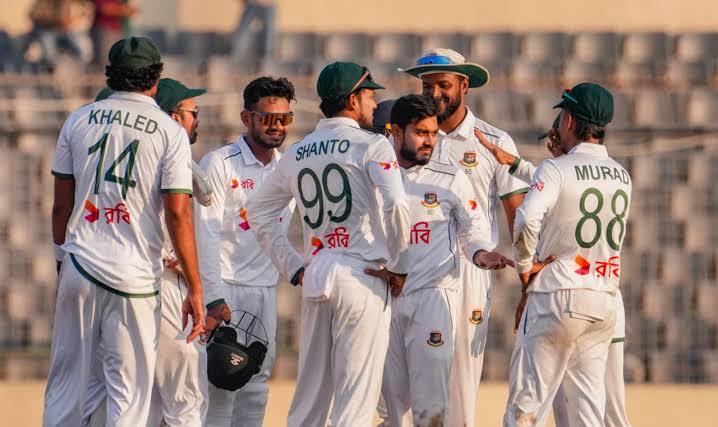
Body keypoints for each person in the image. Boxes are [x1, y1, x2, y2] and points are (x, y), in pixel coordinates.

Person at [44, 37, 205, 426]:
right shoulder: (168, 131)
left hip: (80, 263)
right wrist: (196, 287)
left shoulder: (78, 119)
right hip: (134, 277)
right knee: (129, 398)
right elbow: (178, 214)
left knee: (65, 388)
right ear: (156, 79)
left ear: (110, 74)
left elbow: (61, 206)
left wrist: (62, 260)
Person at [245, 61, 411, 427]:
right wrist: (400, 266)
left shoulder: (298, 151)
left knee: (309, 400)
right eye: (369, 95)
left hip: (316, 273)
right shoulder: (373, 145)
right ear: (352, 99)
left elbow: (256, 212)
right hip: (363, 275)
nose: (374, 103)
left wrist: (294, 267)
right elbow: (397, 205)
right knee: (355, 402)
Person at [400, 48, 529, 427]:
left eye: (443, 85)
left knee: (461, 380)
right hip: (418, 268)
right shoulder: (412, 137)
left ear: (464, 85)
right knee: (402, 384)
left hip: (471, 270)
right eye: (427, 86)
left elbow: (518, 215)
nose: (434, 93)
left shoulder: (493, 140)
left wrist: (528, 280)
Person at [479, 115, 632, 427]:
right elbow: (569, 184)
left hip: (559, 294)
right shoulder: (621, 174)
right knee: (590, 414)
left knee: (526, 411)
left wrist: (524, 268)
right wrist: (516, 164)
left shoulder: (556, 170)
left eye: (556, 131)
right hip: (603, 298)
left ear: (570, 123)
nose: (551, 142)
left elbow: (527, 216)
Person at [380, 94, 514, 426]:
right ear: (396, 132)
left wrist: (480, 253)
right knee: (394, 409)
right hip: (385, 298)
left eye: (433, 133)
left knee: (432, 404)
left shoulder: (450, 176)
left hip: (432, 298)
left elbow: (473, 227)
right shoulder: (376, 174)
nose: (430, 141)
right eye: (420, 133)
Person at [89, 78, 210, 427]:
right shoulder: (170, 155)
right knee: (185, 398)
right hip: (161, 283)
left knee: (131, 397)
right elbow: (197, 201)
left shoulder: (104, 156)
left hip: (109, 277)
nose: (197, 119)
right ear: (172, 117)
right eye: (192, 112)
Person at [195, 76, 296, 427]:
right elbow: (205, 232)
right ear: (246, 117)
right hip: (225, 286)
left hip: (264, 289)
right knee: (220, 380)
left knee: (257, 382)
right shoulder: (220, 163)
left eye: (284, 118)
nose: (276, 126)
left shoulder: (288, 167)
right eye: (267, 118)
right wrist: (213, 297)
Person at [91, 0, 137, 68]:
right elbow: (105, 8)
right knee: (104, 64)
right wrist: (124, 10)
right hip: (104, 30)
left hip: (115, 30)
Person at [231, 0, 276, 69]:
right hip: (251, 4)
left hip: (266, 3)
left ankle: (265, 64)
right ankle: (234, 62)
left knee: (268, 38)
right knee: (242, 33)